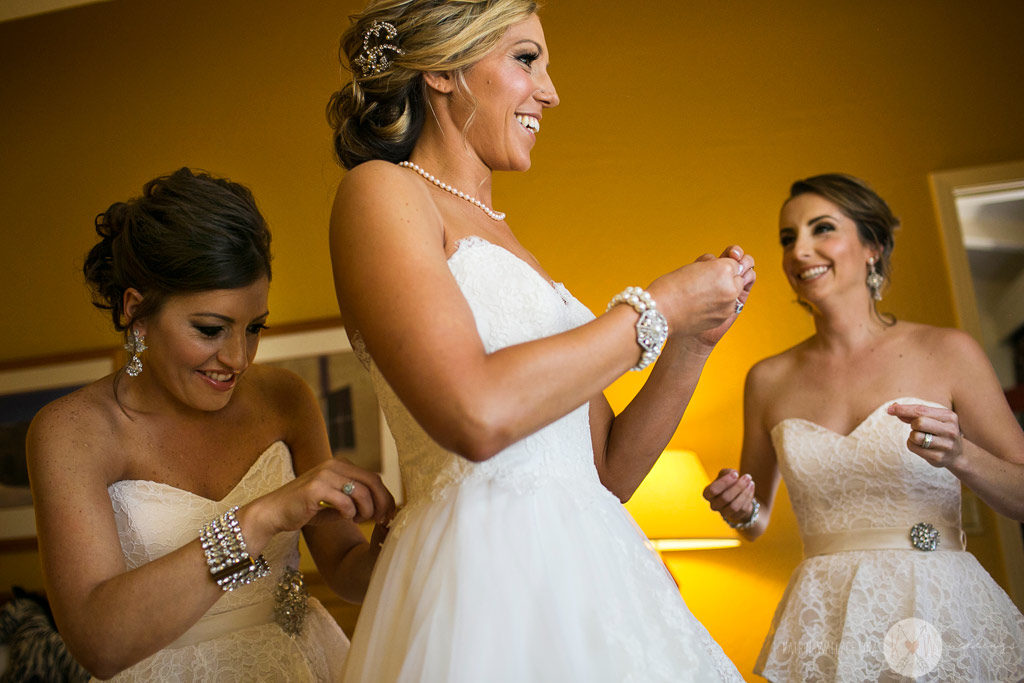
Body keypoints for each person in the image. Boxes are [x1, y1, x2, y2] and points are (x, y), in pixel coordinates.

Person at [326, 1, 752, 681]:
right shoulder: (382, 193)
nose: (550, 92)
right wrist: (659, 304)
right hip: (481, 579)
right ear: (442, 69)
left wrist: (689, 340)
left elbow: (606, 470)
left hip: (595, 583)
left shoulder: (514, 245)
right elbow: (476, 411)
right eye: (526, 59)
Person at [26, 168, 395, 681]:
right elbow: (99, 642)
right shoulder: (70, 432)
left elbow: (347, 573)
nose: (239, 358)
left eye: (254, 328)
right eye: (210, 329)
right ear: (136, 312)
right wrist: (260, 518)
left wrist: (397, 541)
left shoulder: (284, 398)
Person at [704, 173, 1024, 681]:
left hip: (939, 609)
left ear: (872, 246)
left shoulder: (948, 351)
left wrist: (962, 456)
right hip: (827, 620)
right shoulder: (766, 379)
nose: (799, 250)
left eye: (821, 229)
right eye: (788, 238)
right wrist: (739, 510)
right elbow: (756, 520)